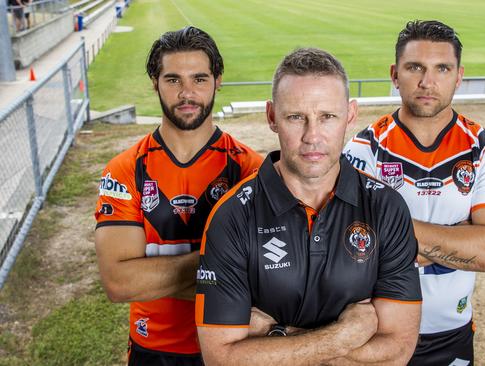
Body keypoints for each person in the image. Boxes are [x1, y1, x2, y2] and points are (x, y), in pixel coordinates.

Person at [196, 47, 422, 365]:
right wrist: (342, 337)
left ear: (351, 115)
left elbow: (397, 350)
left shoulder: (386, 207)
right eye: (296, 117)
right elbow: (221, 359)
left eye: (327, 116)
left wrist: (276, 335)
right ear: (272, 117)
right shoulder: (232, 215)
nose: (312, 136)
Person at [344, 20, 485, 366]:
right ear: (395, 74)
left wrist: (393, 234)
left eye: (442, 68)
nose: (427, 81)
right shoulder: (363, 149)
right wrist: (463, 235)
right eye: (415, 68)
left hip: (450, 333)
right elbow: (350, 248)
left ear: (459, 75)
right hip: (378, 333)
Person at [94, 26, 262, 365]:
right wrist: (220, 269)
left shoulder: (250, 170)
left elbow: (264, 275)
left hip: (230, 345)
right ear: (154, 82)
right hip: (153, 348)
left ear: (218, 80)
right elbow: (118, 282)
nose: (187, 93)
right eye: (173, 80)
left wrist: (153, 276)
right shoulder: (125, 169)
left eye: (199, 79)